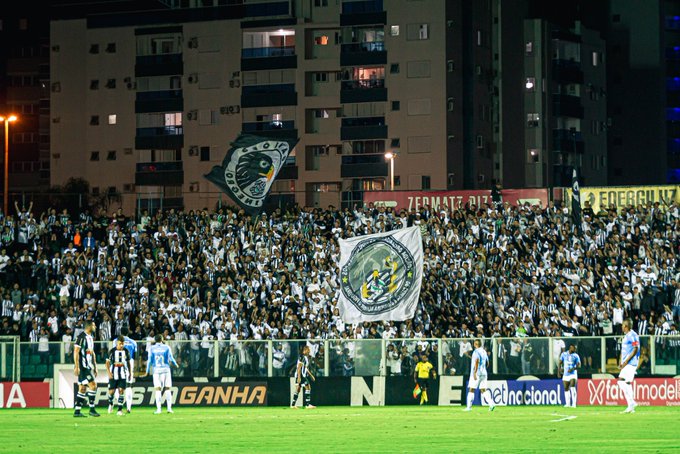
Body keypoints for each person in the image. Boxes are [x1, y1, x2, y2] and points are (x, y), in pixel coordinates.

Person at [143, 334, 179, 414]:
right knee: (167, 389)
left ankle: (159, 409)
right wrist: (176, 364)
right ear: (162, 339)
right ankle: (169, 408)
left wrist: (147, 371)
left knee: (158, 389)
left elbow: (149, 360)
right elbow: (171, 358)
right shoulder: (166, 347)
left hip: (157, 370)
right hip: (166, 370)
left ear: (155, 340)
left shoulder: (151, 348)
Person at [73, 320, 100, 417]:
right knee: (93, 385)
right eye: (94, 325)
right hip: (83, 367)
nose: (95, 327)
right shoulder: (81, 337)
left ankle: (77, 411)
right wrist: (77, 366)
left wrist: (95, 366)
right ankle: (92, 409)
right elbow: (76, 351)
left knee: (82, 388)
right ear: (89, 326)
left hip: (89, 366)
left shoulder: (90, 338)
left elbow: (92, 353)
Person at [464, 339, 494, 412]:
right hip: (484, 373)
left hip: (476, 373)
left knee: (471, 389)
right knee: (483, 390)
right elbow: (487, 363)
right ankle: (491, 404)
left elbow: (477, 361)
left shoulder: (476, 352)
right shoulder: (484, 351)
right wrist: (483, 369)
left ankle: (469, 407)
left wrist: (475, 372)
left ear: (475, 344)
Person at [112, 327, 137, 413]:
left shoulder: (116, 341)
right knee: (129, 386)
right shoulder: (133, 342)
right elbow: (135, 356)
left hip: (118, 364)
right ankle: (129, 407)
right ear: (128, 332)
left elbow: (113, 353)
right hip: (130, 363)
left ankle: (120, 403)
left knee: (117, 385)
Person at [618, 319, 640, 414]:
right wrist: (621, 361)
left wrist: (626, 361)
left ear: (626, 326)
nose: (622, 326)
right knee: (626, 383)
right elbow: (624, 350)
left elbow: (636, 348)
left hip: (630, 363)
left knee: (621, 382)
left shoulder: (632, 335)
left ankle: (631, 403)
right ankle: (631, 406)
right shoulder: (627, 336)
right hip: (626, 363)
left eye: (623, 325)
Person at [106, 336, 131, 416]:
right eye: (120, 344)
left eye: (123, 344)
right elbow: (107, 363)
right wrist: (109, 373)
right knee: (111, 392)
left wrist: (130, 372)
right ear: (117, 343)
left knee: (121, 391)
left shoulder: (126, 351)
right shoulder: (112, 351)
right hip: (113, 374)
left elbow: (128, 362)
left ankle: (119, 410)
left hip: (123, 374)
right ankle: (111, 404)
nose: (121, 345)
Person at [291, 345, 316, 409]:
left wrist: (311, 375)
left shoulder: (306, 358)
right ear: (304, 351)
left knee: (298, 389)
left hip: (300, 375)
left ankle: (293, 405)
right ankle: (307, 405)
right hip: (301, 375)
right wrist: (299, 377)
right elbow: (299, 367)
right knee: (308, 387)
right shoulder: (302, 357)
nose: (309, 350)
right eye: (308, 349)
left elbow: (305, 368)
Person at [558, 344, 581, 408]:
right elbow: (560, 363)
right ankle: (567, 403)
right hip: (565, 374)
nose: (575, 349)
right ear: (570, 348)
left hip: (573, 374)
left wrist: (573, 368)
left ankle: (574, 404)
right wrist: (559, 372)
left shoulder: (576, 356)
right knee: (566, 388)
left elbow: (579, 365)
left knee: (572, 387)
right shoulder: (564, 354)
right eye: (574, 348)